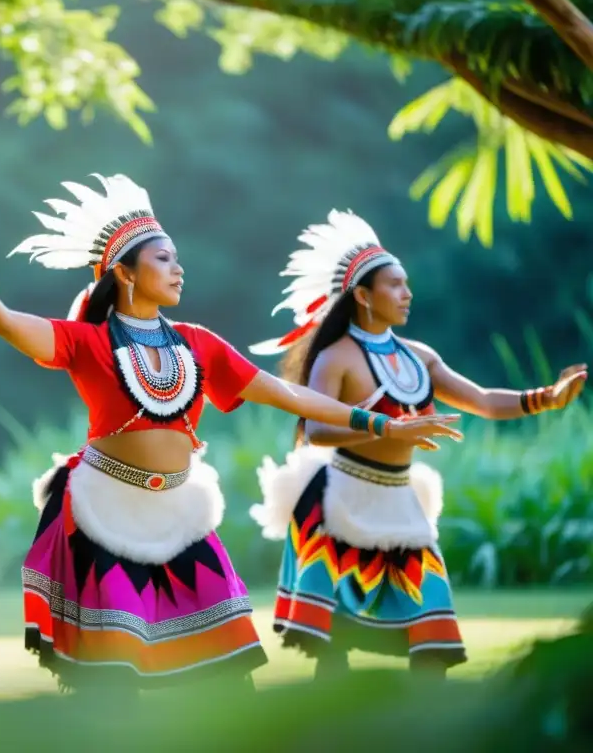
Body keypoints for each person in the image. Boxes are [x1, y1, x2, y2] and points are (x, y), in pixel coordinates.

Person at [0, 175, 461, 696]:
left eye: (177, 260)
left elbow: (288, 394)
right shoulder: (87, 342)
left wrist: (380, 422)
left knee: (228, 666)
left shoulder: (199, 344)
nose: (178, 269)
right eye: (163, 259)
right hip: (105, 515)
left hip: (181, 515)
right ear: (124, 271)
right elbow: (8, 324)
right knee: (113, 674)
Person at [247, 209, 587, 680]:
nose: (407, 293)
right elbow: (317, 430)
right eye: (395, 285)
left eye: (407, 283)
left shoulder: (419, 357)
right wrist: (388, 429)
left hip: (400, 500)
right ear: (363, 295)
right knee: (333, 647)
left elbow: (485, 402)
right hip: (338, 505)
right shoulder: (337, 356)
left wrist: (544, 399)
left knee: (432, 641)